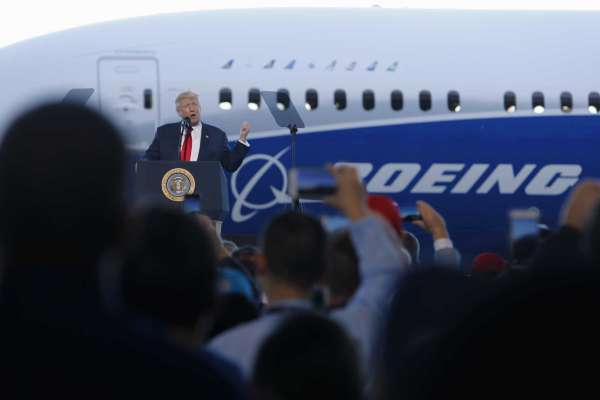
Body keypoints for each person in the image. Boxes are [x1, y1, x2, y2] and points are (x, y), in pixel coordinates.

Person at [144, 90, 250, 172]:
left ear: (199, 108)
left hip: (203, 194)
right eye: (187, 106)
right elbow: (149, 159)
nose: (192, 109)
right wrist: (141, 167)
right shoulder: (164, 133)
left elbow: (230, 165)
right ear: (179, 112)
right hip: (171, 193)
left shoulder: (217, 135)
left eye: (194, 104)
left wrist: (242, 139)